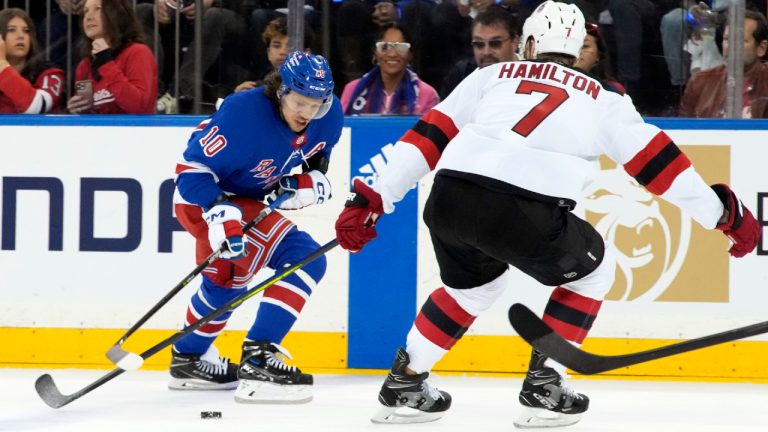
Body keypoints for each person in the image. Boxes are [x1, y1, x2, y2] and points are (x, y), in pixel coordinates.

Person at [334, 1, 760, 428]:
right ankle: (546, 385)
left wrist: (370, 200)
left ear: (531, 43)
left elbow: (426, 138)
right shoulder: (603, 99)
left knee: (473, 290)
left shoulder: (489, 76)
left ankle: (406, 383)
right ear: (577, 49)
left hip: (449, 199)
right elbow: (660, 167)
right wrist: (722, 214)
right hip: (523, 209)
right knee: (595, 272)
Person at [170, 51, 343, 404]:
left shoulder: (329, 115)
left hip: (249, 201)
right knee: (302, 257)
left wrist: (310, 179)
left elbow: (316, 155)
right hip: (205, 198)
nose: (307, 113)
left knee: (228, 284)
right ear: (281, 91)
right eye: (299, 102)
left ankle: (188, 359)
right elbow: (190, 171)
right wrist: (219, 209)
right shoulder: (243, 114)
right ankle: (258, 357)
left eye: (316, 105)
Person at [67, 0, 157, 114]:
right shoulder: (84, 66)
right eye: (86, 11)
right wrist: (77, 109)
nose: (88, 17)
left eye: (97, 9)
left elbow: (138, 107)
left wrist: (105, 63)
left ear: (116, 14)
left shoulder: (138, 52)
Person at [679, 9, 768, 118]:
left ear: (761, 48)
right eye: (727, 39)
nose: (730, 46)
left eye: (740, 40)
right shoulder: (699, 82)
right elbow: (683, 126)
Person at [340, 22, 438, 115]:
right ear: (375, 53)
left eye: (400, 47)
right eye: (384, 47)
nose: (392, 54)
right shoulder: (352, 90)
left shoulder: (427, 94)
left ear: (410, 54)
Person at [441, 7, 520, 98]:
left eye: (495, 43)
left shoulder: (533, 74)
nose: (486, 52)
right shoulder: (461, 75)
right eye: (479, 44)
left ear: (514, 42)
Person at [0, 8, 64, 113]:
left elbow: (38, 108)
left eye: (26, 31)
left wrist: (2, 64)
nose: (21, 36)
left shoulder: (50, 73)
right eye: (11, 30)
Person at [575, 21, 624, 93]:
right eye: (572, 45)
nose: (577, 51)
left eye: (585, 46)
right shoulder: (555, 83)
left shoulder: (613, 89)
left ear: (598, 55)